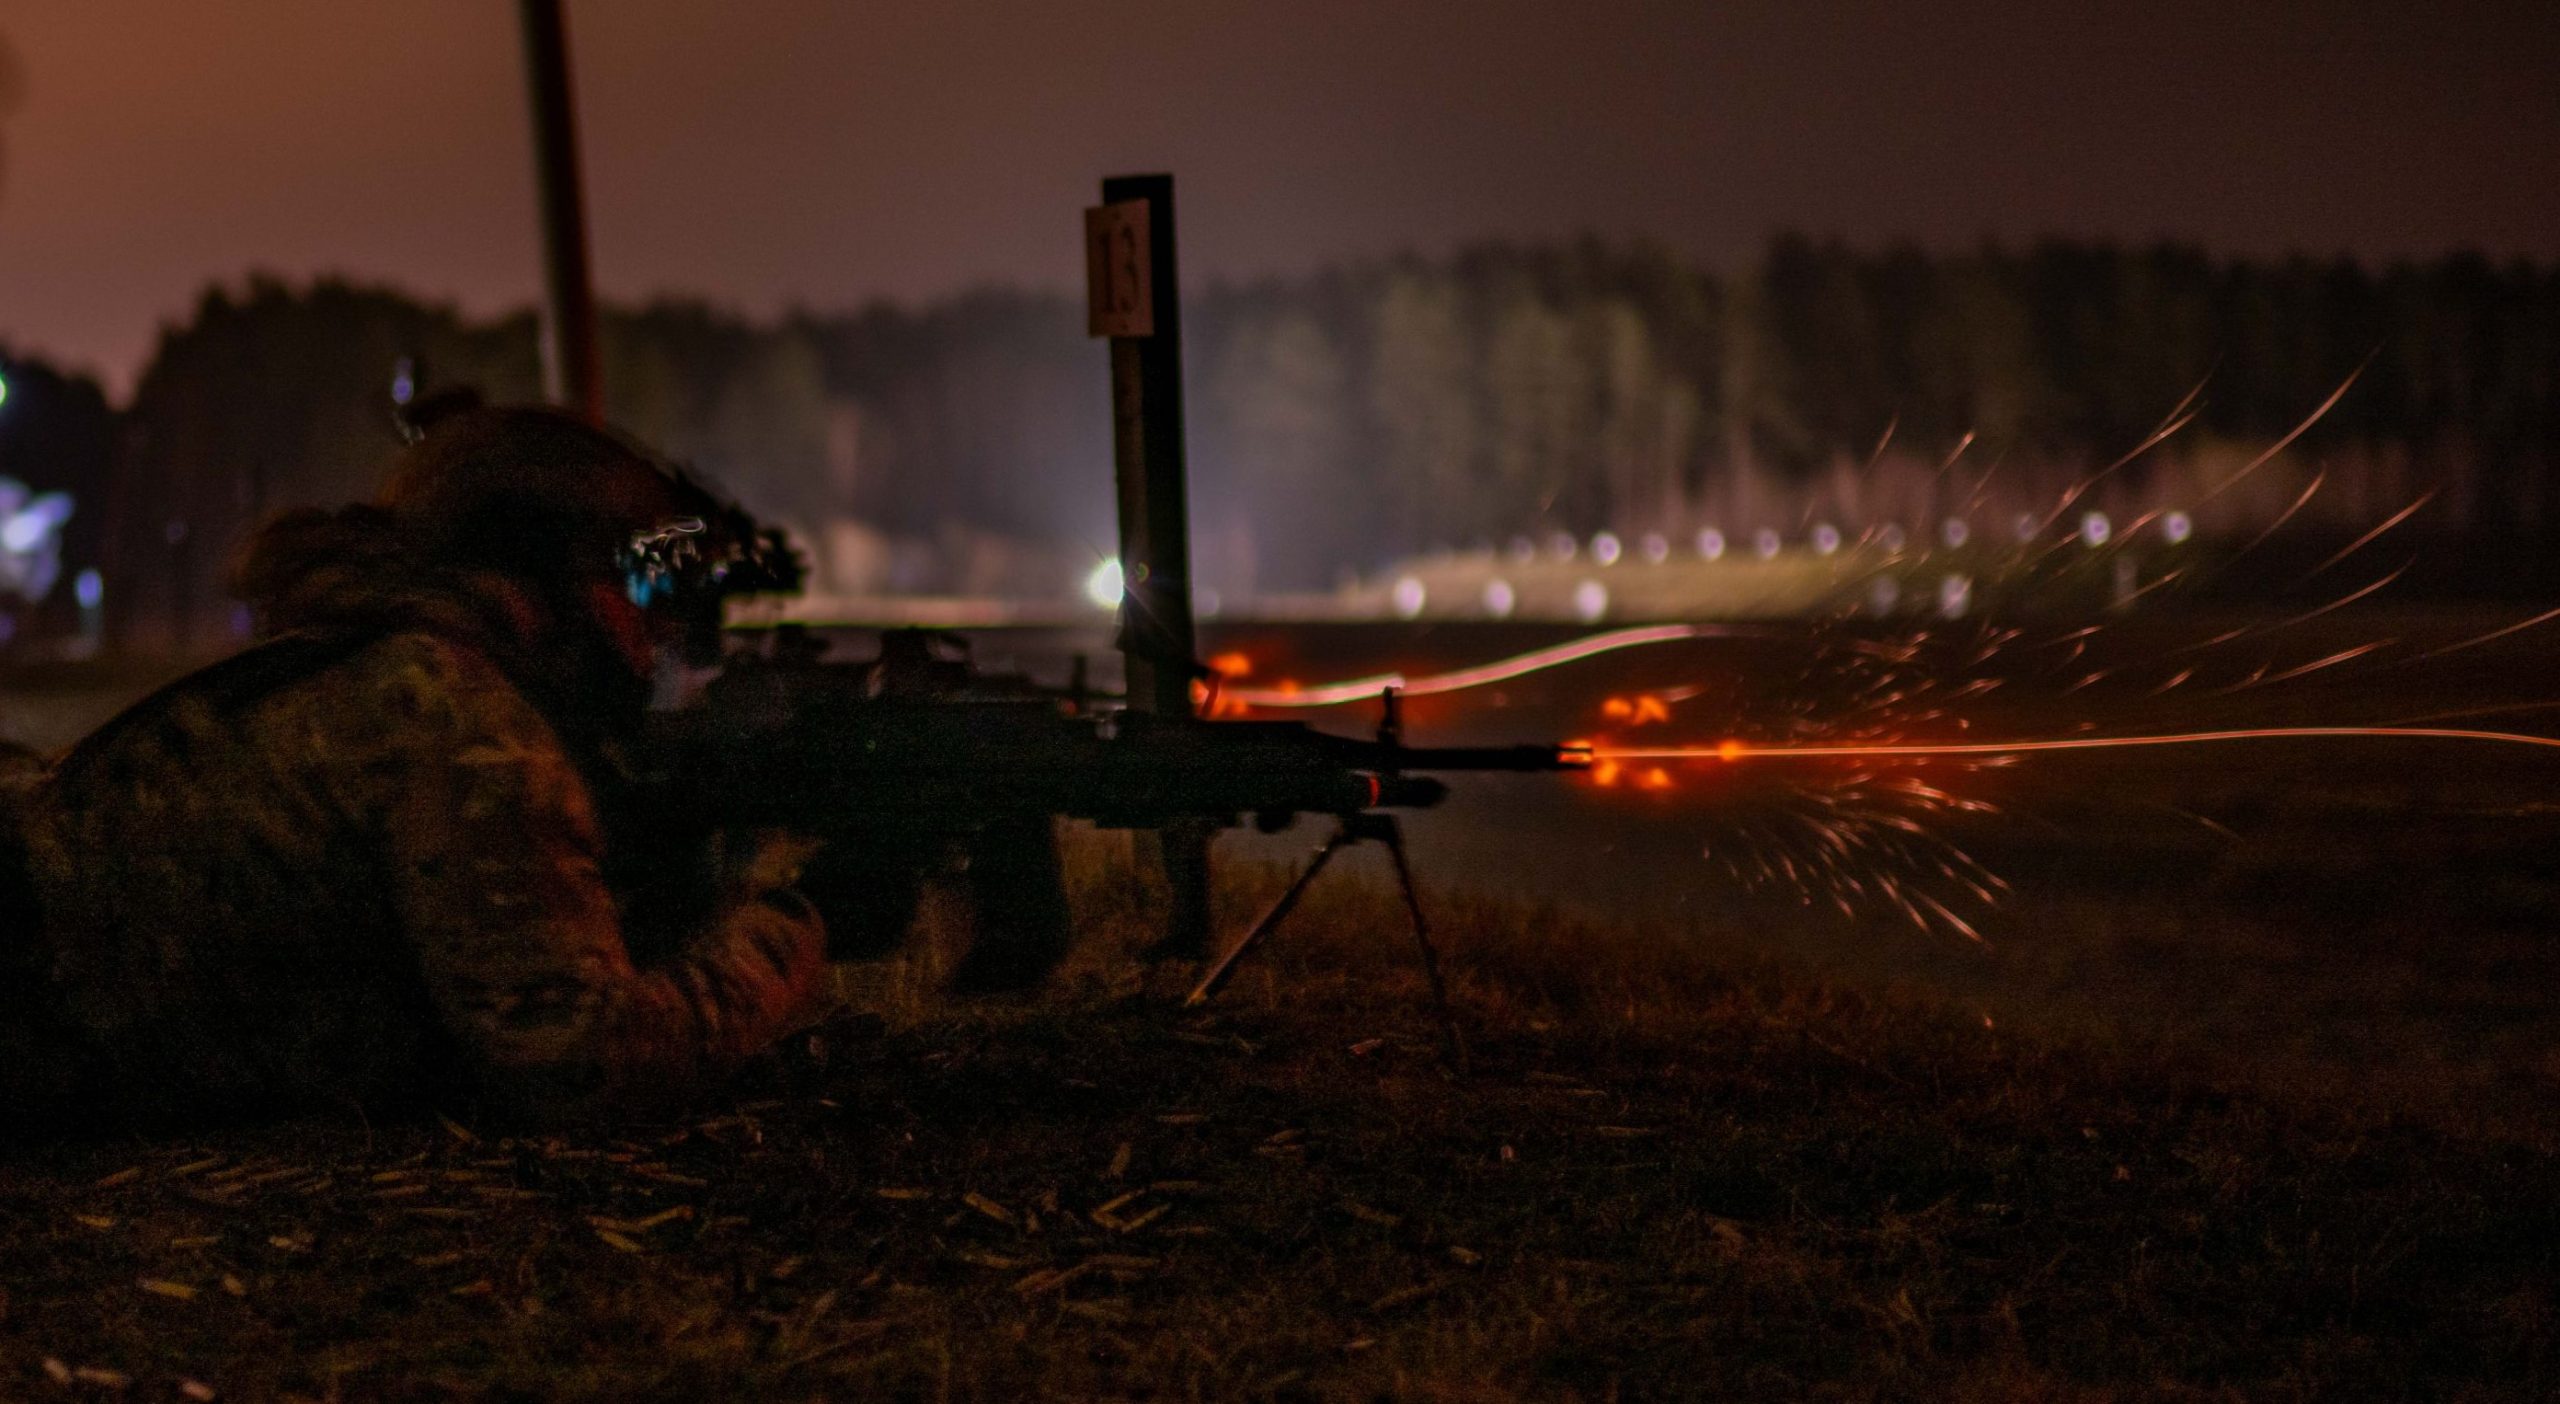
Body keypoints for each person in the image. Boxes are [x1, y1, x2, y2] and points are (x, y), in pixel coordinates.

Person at [0, 404, 835, 1128]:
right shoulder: (454, 711)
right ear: (535, 582)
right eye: (636, 582)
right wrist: (781, 939)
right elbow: (580, 1063)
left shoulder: (390, 667)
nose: (654, 631)